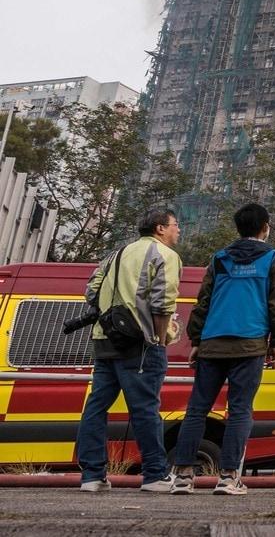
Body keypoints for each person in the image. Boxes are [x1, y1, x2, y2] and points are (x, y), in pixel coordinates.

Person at [171, 202, 275, 495]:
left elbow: (203, 301)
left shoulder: (219, 259)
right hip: (249, 345)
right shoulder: (273, 259)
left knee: (197, 410)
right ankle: (228, 477)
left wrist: (196, 341)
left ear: (238, 228)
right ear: (265, 227)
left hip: (212, 343)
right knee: (239, 411)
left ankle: (183, 477)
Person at [75, 207, 184, 493]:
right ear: (160, 228)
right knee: (145, 408)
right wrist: (160, 338)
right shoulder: (166, 256)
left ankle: (92, 476)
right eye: (175, 225)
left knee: (96, 407)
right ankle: (154, 475)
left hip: (104, 340)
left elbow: (91, 291)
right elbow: (162, 303)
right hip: (141, 343)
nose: (178, 230)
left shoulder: (116, 254)